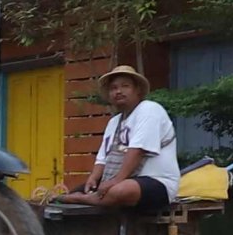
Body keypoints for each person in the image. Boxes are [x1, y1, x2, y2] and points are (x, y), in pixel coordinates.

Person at [76, 65, 181, 211]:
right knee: (80, 189)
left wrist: (115, 181)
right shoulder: (114, 122)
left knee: (119, 191)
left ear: (137, 90)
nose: (118, 91)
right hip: (123, 179)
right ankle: (81, 197)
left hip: (157, 181)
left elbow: (138, 151)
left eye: (125, 86)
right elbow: (103, 158)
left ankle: (82, 199)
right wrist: (93, 178)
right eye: (113, 88)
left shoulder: (149, 109)